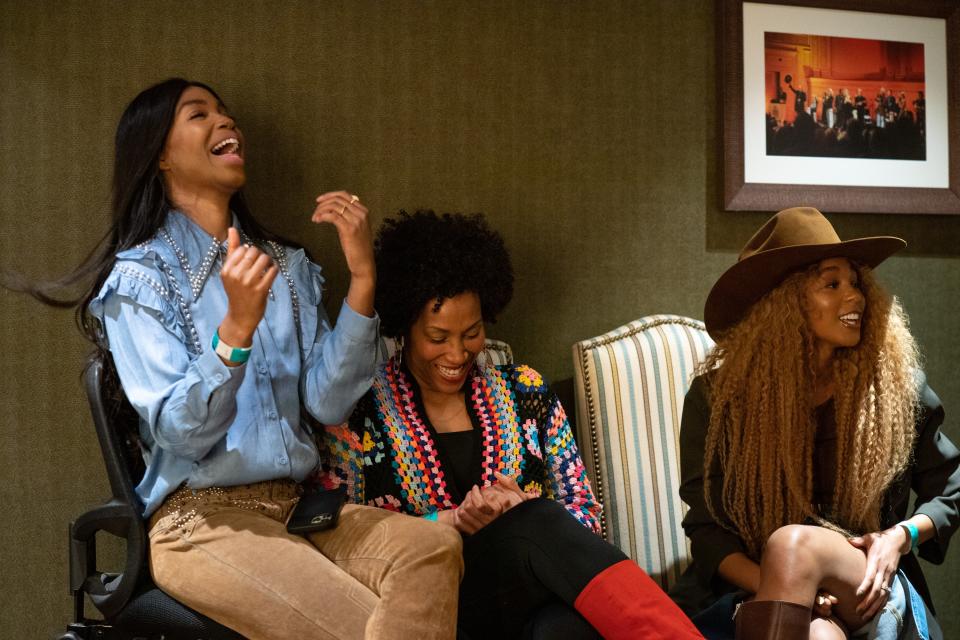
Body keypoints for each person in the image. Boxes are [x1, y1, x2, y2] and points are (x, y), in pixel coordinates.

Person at [23, 78, 463, 639]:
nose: (226, 122)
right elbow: (181, 435)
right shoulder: (140, 279)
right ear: (159, 153)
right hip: (200, 524)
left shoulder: (287, 264)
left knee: (432, 546)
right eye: (199, 114)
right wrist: (236, 328)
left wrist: (361, 279)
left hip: (300, 510)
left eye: (226, 113)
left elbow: (327, 403)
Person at [315, 210, 704, 640]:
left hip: (526, 602)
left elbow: (588, 519)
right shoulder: (361, 410)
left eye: (473, 332)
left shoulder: (526, 392)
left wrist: (517, 512)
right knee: (536, 522)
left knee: (565, 628)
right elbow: (339, 539)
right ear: (404, 327)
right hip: (433, 603)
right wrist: (450, 521)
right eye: (439, 337)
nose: (459, 353)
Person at [670, 207, 960, 639]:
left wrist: (898, 538)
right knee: (817, 633)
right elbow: (708, 531)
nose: (856, 297)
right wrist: (785, 586)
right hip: (757, 585)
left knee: (793, 542)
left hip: (864, 583)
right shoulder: (717, 400)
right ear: (784, 305)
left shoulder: (895, 391)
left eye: (856, 282)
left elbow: (951, 484)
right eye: (832, 284)